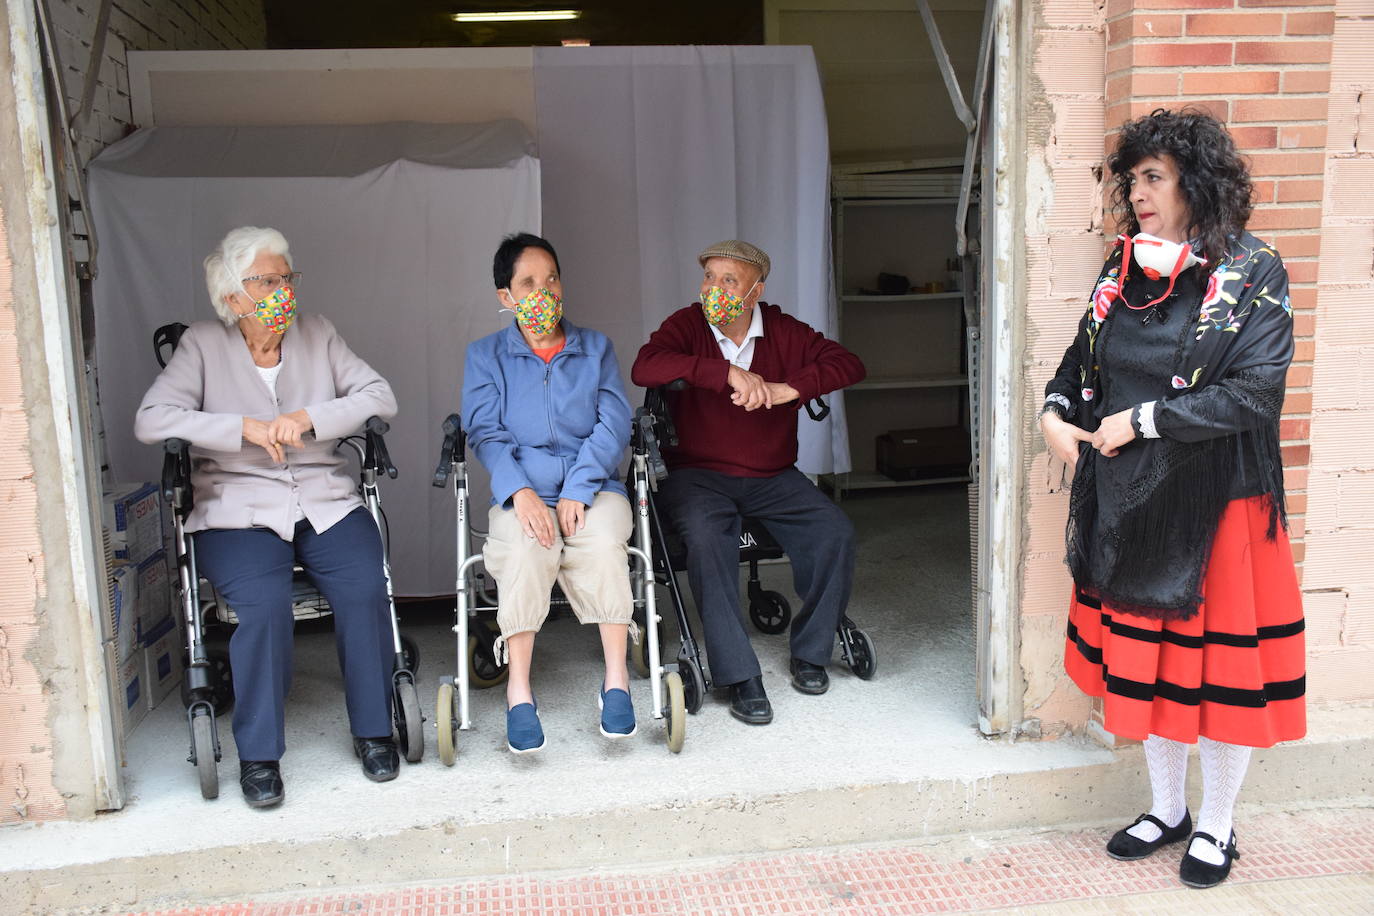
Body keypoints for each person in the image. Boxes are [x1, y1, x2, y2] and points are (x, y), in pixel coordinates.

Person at [1040, 109, 1304, 889]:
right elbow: (1077, 364)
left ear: (1199, 181)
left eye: (1153, 176)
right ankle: (1167, 808)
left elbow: (1256, 393)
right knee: (1155, 673)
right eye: (1133, 179)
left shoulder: (1256, 270)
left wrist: (1146, 419)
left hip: (1220, 508)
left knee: (1217, 682)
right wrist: (1055, 412)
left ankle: (1216, 824)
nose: (1139, 192)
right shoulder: (1122, 271)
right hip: (1135, 503)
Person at [135, 226, 401, 808]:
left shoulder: (318, 333)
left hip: (324, 499)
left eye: (288, 277)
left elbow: (380, 397)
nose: (284, 288)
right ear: (235, 297)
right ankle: (259, 755)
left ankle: (375, 730)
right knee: (263, 605)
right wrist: (239, 429)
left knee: (363, 589)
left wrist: (308, 417)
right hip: (238, 507)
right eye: (269, 280)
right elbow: (153, 419)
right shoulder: (202, 345)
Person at [631, 239, 866, 725]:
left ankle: (811, 651)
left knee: (833, 532)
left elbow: (848, 363)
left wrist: (790, 388)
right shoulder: (686, 326)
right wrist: (724, 373)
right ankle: (739, 675)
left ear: (755, 291)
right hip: (695, 477)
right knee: (707, 540)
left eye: (728, 280)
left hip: (772, 476)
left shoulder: (784, 331)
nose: (713, 289)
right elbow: (645, 366)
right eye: (708, 278)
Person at [462, 232, 636, 754]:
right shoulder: (485, 356)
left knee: (604, 545)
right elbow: (485, 432)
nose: (545, 290)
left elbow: (613, 424)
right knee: (523, 546)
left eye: (552, 278)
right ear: (506, 296)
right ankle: (519, 691)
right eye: (529, 282)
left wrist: (579, 490)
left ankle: (616, 681)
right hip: (524, 494)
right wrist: (521, 493)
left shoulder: (595, 347)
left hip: (594, 488)